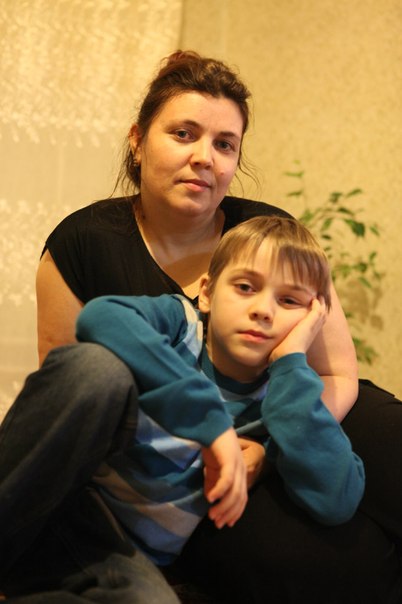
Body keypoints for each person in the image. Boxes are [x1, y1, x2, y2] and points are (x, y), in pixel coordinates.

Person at [4, 49, 400, 602]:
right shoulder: (87, 245)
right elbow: (77, 393)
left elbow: (335, 374)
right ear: (138, 141)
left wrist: (266, 449)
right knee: (329, 565)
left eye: (224, 144)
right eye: (183, 134)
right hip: (156, 464)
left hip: (285, 409)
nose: (204, 158)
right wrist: (211, 428)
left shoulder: (267, 232)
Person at [75, 216, 365, 566]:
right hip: (75, 515)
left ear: (313, 319)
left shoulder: (289, 390)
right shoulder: (181, 326)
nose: (263, 310)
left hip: (136, 563)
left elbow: (336, 500)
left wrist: (291, 362)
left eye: (289, 300)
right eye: (245, 287)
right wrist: (209, 421)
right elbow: (101, 316)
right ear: (208, 293)